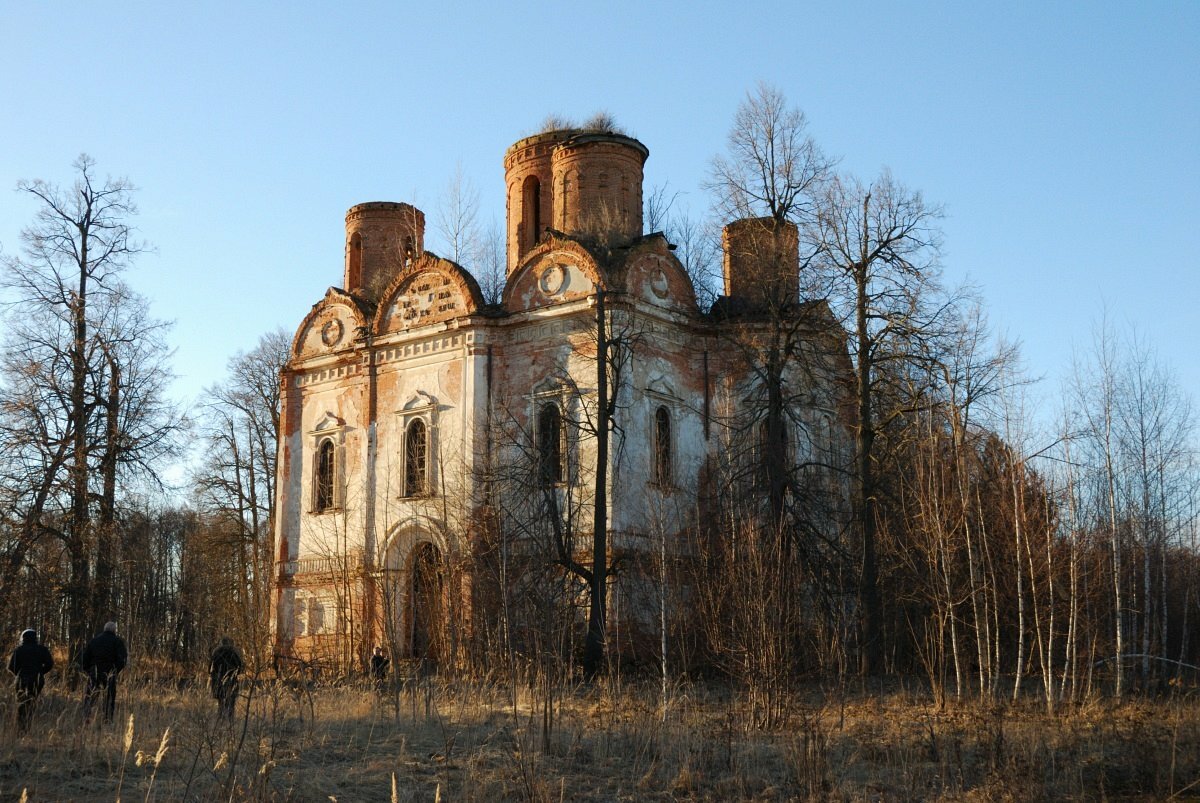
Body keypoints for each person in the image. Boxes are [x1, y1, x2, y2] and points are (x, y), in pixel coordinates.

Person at [79, 621, 127, 724]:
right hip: (109, 673)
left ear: (104, 629)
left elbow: (84, 659)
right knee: (109, 698)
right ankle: (107, 720)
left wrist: (90, 671)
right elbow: (122, 660)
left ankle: (86, 719)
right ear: (114, 630)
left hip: (94, 673)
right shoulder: (117, 641)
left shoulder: (94, 641)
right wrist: (115, 671)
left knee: (90, 697)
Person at [8, 629, 53, 733]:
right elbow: (49, 664)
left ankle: (21, 730)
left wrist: (19, 674)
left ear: (23, 638)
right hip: (36, 681)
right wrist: (40, 672)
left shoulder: (18, 650)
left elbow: (11, 667)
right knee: (31, 703)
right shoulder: (42, 650)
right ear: (35, 638)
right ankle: (26, 728)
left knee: (21, 705)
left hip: (21, 681)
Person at [209, 637, 243, 719]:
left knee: (221, 702)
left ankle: (221, 719)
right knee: (231, 702)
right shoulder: (234, 653)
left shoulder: (216, 653)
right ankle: (230, 720)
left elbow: (210, 669)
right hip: (231, 680)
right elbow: (240, 668)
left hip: (218, 680)